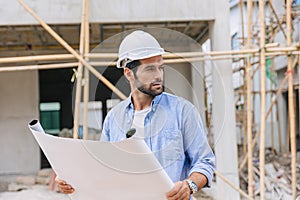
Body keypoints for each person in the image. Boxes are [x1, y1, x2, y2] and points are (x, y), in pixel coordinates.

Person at [56, 30, 215, 200]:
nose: (158, 75)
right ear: (128, 73)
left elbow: (205, 162)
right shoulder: (113, 119)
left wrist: (189, 185)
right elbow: (104, 169)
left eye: (160, 67)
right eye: (150, 69)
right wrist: (73, 180)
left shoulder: (183, 111)